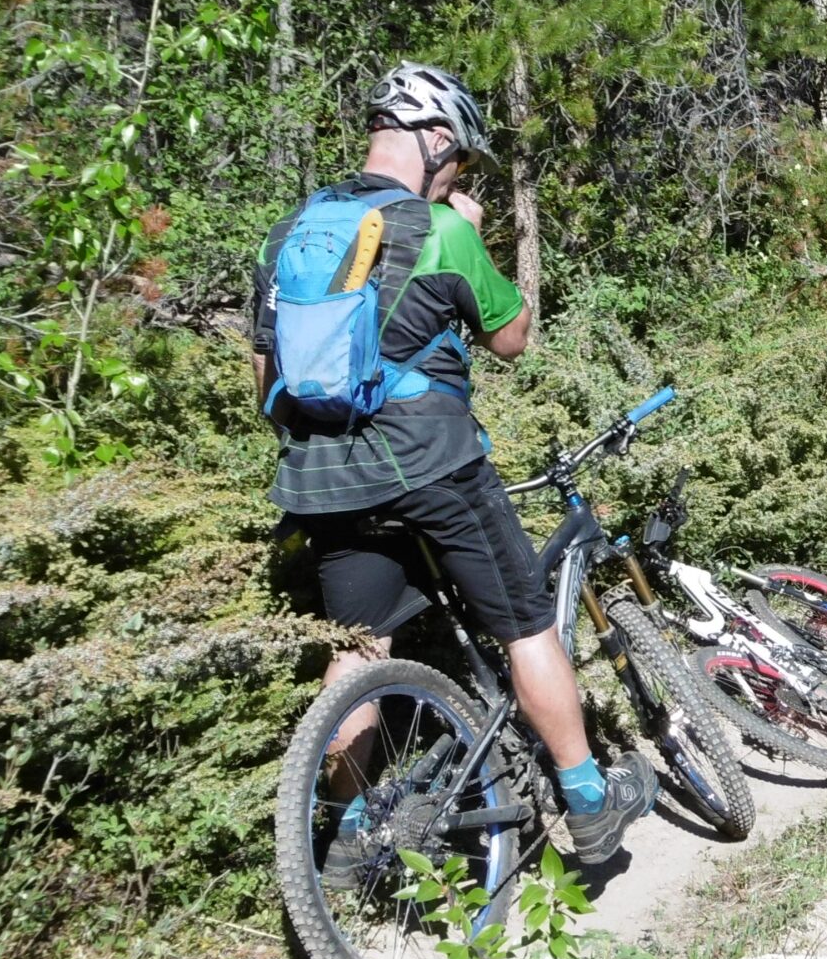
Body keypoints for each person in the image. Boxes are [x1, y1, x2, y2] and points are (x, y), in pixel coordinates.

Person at [252, 62, 653, 863]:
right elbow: (511, 340)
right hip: (432, 460)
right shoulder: (442, 230)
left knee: (360, 649)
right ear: (436, 142)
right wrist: (466, 230)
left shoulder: (291, 232)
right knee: (525, 622)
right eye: (461, 157)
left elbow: (268, 382)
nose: (460, 170)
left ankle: (354, 832)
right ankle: (587, 799)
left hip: (323, 476)